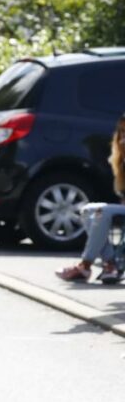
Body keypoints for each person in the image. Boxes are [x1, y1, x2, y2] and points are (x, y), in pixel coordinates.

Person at [56, 114, 125, 283]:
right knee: (87, 210)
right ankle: (110, 264)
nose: (123, 138)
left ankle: (85, 266)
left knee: (101, 212)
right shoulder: (120, 160)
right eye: (122, 132)